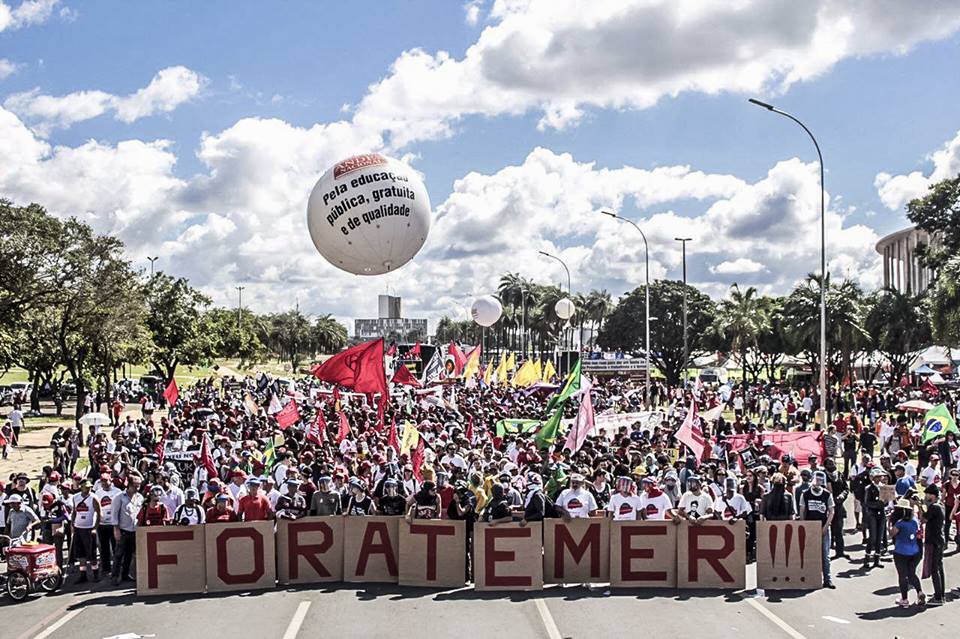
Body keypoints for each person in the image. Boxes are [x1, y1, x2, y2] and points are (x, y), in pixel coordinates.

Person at [798, 471, 836, 588]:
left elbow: (831, 511)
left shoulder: (827, 494)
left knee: (825, 555)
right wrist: (804, 525)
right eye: (816, 479)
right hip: (810, 527)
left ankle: (827, 579)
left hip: (823, 527)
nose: (818, 482)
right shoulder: (805, 494)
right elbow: (802, 511)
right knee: (809, 553)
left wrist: (826, 527)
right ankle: (810, 578)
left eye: (820, 480)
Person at [889, 498, 924, 607]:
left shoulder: (900, 523)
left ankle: (904, 599)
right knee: (911, 573)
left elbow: (892, 533)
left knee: (902, 575)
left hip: (901, 552)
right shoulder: (914, 521)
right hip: (914, 551)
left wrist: (889, 523)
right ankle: (920, 592)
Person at [111, 473, 143, 585]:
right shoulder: (119, 498)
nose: (137, 488)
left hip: (135, 530)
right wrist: (116, 529)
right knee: (119, 554)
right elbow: (114, 514)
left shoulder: (140, 497)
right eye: (135, 486)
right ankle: (115, 576)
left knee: (130, 554)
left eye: (139, 485)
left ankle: (125, 575)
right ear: (128, 485)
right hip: (123, 530)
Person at [70, 479, 102, 583]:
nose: (88, 489)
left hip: (89, 529)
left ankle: (96, 573)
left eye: (90, 487)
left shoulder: (93, 498)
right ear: (81, 487)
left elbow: (99, 514)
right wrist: (72, 524)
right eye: (86, 487)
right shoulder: (75, 497)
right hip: (78, 528)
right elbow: (74, 512)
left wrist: (94, 528)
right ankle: (83, 575)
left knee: (92, 554)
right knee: (80, 555)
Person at [920, 484, 946, 605]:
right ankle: (940, 593)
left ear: (933, 495)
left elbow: (923, 519)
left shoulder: (934, 507)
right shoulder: (940, 505)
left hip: (934, 540)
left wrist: (919, 506)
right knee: (939, 568)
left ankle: (938, 598)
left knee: (934, 569)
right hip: (939, 540)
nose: (926, 496)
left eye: (928, 494)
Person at [94, 474, 121, 576]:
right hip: (102, 524)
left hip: (114, 524)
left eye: (106, 481)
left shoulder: (117, 492)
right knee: (104, 548)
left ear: (111, 480)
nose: (104, 483)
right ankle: (106, 568)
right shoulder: (98, 493)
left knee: (116, 547)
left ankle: (117, 567)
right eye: (102, 481)